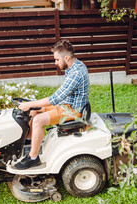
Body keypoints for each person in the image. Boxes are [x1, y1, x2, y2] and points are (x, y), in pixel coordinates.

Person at [14, 40, 90, 170]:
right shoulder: (73, 65)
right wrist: (33, 106)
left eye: (56, 60)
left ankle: (33, 158)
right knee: (34, 111)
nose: (55, 63)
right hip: (67, 104)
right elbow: (61, 97)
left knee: (37, 120)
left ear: (66, 57)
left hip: (73, 110)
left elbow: (54, 99)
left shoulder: (76, 73)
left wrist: (29, 104)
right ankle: (32, 144)